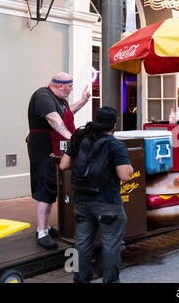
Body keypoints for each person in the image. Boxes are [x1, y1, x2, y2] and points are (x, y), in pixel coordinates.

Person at [59, 106, 134, 283]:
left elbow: (63, 165)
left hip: (82, 203)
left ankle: (80, 280)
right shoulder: (115, 145)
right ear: (114, 124)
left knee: (81, 246)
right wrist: (130, 168)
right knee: (111, 247)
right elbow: (125, 175)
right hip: (108, 203)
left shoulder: (81, 139)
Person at [27, 72, 90, 249]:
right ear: (60, 86)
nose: (71, 89)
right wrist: (74, 140)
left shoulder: (59, 100)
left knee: (52, 188)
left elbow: (66, 113)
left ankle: (46, 226)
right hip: (44, 151)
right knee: (44, 190)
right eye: (70, 87)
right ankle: (41, 232)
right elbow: (54, 120)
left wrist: (83, 102)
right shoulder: (43, 96)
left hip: (55, 151)